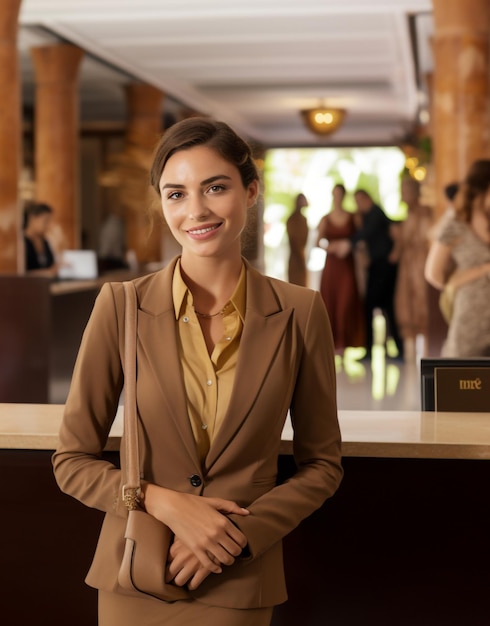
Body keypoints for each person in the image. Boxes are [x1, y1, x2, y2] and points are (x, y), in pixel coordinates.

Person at [52, 118, 343, 625]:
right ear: (161, 204)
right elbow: (71, 460)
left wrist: (236, 537)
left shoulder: (301, 312)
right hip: (135, 575)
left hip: (238, 579)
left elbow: (323, 466)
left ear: (251, 191)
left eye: (215, 187)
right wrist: (160, 503)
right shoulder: (120, 306)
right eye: (176, 194)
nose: (196, 211)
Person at [424, 159, 490, 357]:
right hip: (471, 314)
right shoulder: (455, 224)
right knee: (463, 378)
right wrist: (480, 272)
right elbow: (433, 274)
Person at [335, 189, 404, 360]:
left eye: (359, 200)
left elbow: (368, 232)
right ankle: (389, 349)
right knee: (385, 307)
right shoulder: (368, 216)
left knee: (374, 307)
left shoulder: (375, 213)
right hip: (378, 265)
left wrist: (349, 243)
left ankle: (376, 350)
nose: (358, 204)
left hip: (383, 266)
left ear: (367, 198)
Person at [317, 184, 364, 355]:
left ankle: (346, 342)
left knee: (346, 301)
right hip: (331, 267)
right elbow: (318, 241)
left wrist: (349, 247)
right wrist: (331, 248)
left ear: (343, 196)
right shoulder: (326, 219)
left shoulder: (353, 217)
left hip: (347, 266)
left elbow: (361, 238)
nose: (337, 197)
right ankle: (333, 343)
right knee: (331, 301)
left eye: (340, 194)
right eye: (334, 194)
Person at [390, 178, 433, 361]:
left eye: (406, 190)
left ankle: (425, 354)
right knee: (405, 303)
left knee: (420, 303)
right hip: (408, 266)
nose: (403, 194)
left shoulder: (424, 213)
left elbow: (426, 238)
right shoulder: (407, 215)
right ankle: (409, 354)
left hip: (420, 265)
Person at [23, 201, 58, 276]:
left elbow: (51, 265)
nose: (48, 226)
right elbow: (21, 272)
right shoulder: (21, 242)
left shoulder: (45, 242)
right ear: (32, 218)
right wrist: (47, 272)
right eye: (45, 221)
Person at [286, 193, 309, 286]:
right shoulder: (292, 220)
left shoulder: (303, 219)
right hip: (295, 259)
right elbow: (294, 240)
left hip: (301, 258)